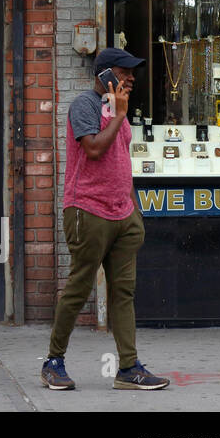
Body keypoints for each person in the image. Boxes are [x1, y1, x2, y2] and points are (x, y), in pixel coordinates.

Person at [41, 47, 169, 391]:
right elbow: (94, 149)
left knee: (123, 292)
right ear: (104, 75)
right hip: (88, 210)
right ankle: (54, 361)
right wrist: (117, 116)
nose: (130, 77)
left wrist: (132, 210)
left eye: (132, 73)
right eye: (123, 71)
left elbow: (119, 158)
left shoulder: (118, 109)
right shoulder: (84, 105)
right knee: (79, 288)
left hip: (123, 214)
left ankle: (128, 368)